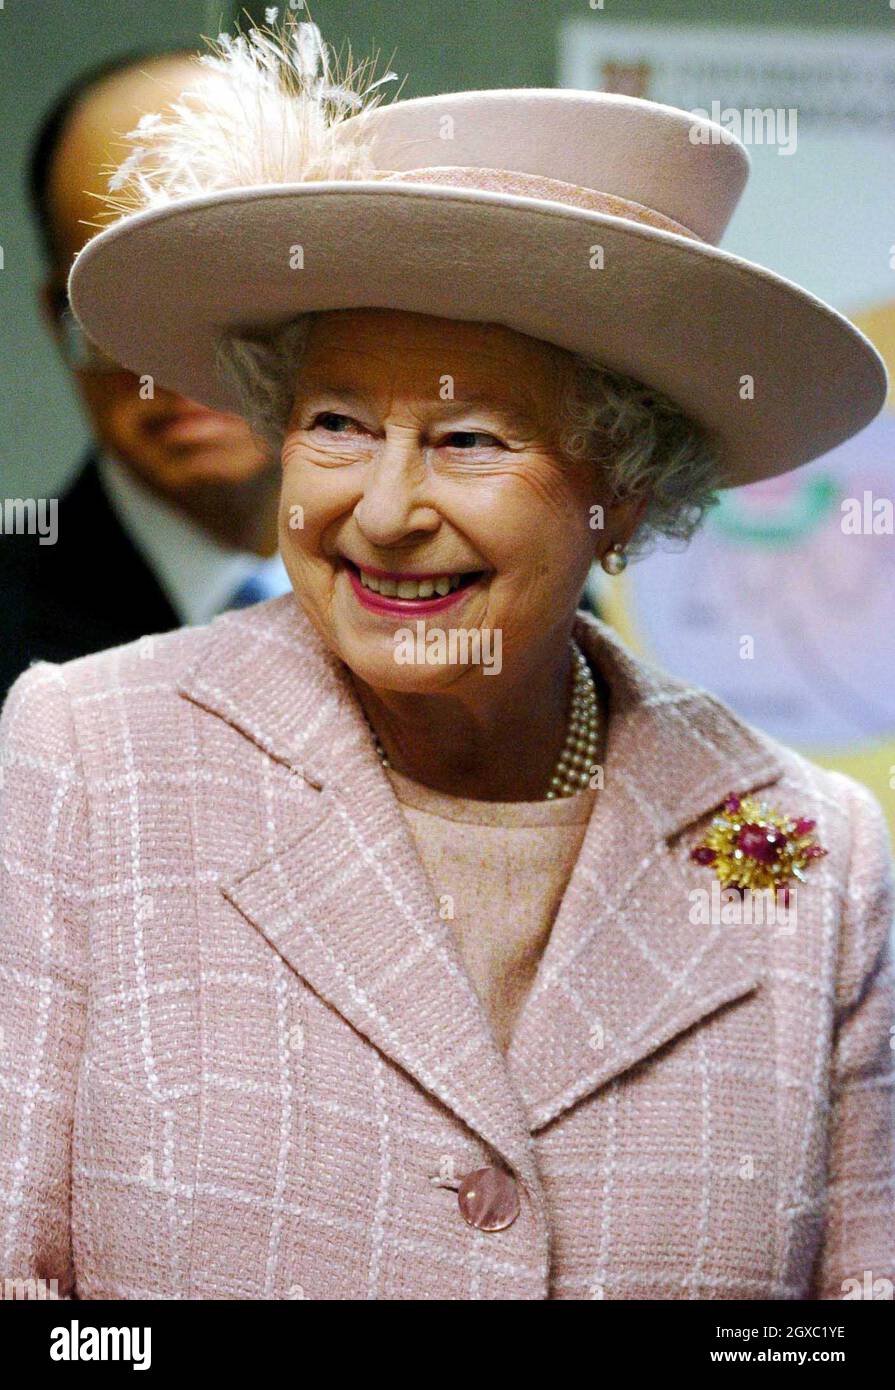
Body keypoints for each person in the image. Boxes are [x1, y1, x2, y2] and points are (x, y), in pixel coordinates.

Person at [1, 17, 892, 1301]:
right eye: (337, 424)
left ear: (622, 491)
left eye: (469, 439)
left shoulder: (806, 846)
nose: (381, 506)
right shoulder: (91, 754)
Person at [0, 48, 290, 700]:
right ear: (60, 317)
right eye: (122, 298)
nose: (179, 353)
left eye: (235, 282)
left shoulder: (487, 619)